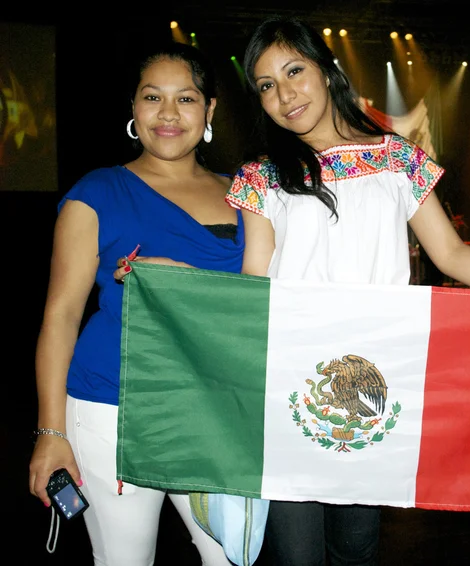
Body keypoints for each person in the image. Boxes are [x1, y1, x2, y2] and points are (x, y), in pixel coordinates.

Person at [219, 16, 470, 566]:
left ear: (326, 70)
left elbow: (451, 254)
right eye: (267, 85)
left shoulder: (396, 158)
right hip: (289, 386)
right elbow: (255, 282)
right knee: (295, 556)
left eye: (294, 71)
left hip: (373, 385)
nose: (284, 93)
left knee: (355, 548)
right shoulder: (262, 176)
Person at [29, 40, 244, 566]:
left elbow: (265, 302)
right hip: (113, 409)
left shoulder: (248, 192)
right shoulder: (98, 192)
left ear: (209, 110)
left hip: (219, 412)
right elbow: (61, 315)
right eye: (152, 97)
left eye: (186, 99)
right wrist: (51, 432)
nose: (168, 114)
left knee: (237, 557)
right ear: (133, 108)